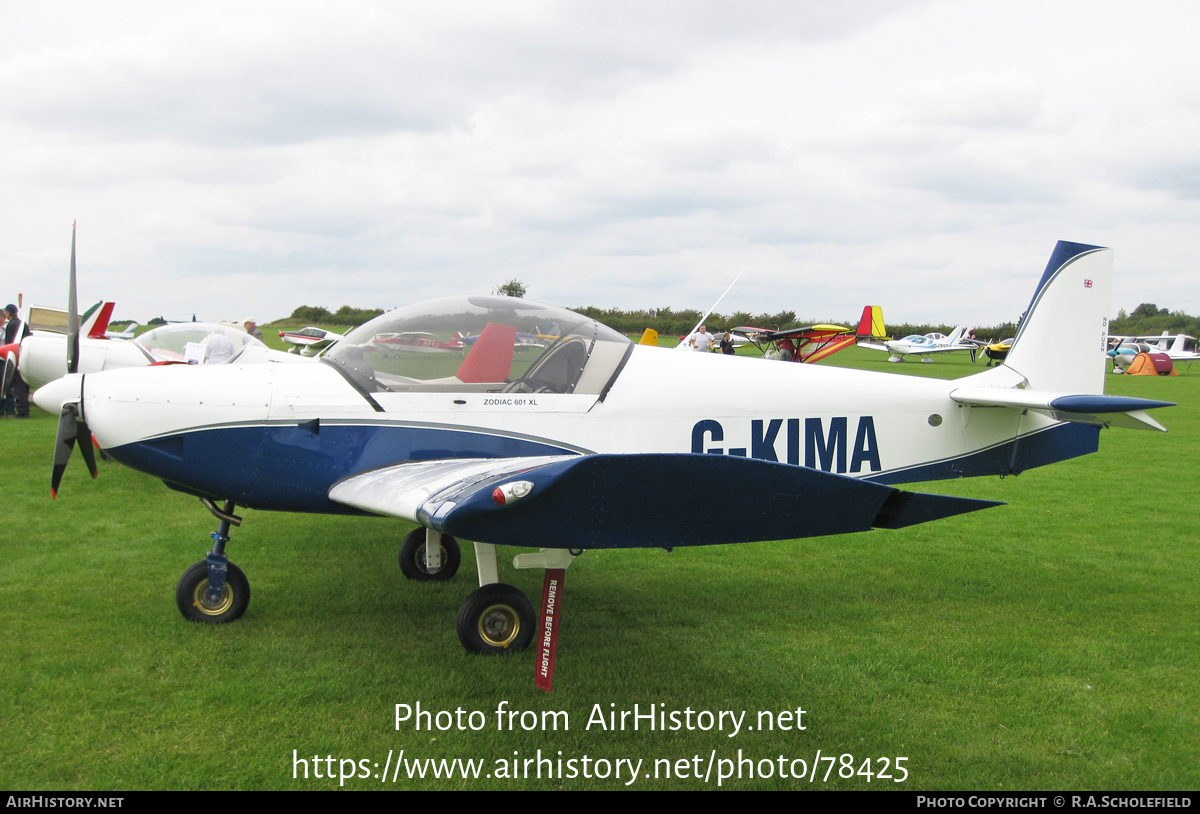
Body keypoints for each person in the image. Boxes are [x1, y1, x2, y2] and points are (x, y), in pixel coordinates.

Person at [3, 304, 30, 417]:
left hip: (16, 357)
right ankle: (25, 409)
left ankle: (22, 411)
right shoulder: (24, 324)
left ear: (8, 313)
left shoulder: (11, 325)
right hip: (25, 358)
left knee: (17, 385)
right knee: (24, 384)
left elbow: (9, 343)